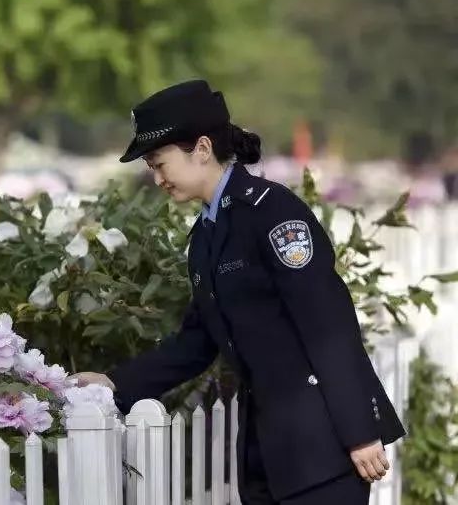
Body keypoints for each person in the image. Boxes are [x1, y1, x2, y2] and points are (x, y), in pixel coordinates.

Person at [71, 80, 405, 504]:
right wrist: (114, 384)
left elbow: (328, 325)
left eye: (159, 163)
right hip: (265, 454)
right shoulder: (207, 237)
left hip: (324, 450)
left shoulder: (272, 213)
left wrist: (360, 432)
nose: (156, 179)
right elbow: (197, 342)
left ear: (203, 148)